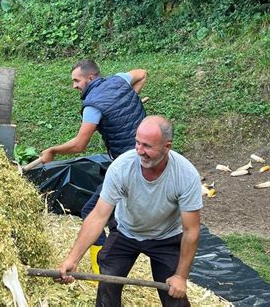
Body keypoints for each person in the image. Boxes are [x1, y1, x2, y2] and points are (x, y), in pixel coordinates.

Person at [58, 115, 202, 307]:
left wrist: (180, 276)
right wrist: (73, 259)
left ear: (167, 147)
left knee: (175, 296)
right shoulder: (122, 167)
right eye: (137, 143)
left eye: (147, 146)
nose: (139, 151)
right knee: (108, 282)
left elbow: (191, 230)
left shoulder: (185, 175)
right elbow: (98, 216)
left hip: (165, 238)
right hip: (126, 231)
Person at [40, 59, 147, 274]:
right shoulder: (119, 81)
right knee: (117, 214)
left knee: (92, 211)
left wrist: (52, 150)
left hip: (128, 164)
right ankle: (112, 265)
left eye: (76, 80)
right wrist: (131, 98)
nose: (74, 86)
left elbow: (79, 145)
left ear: (90, 78)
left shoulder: (93, 107)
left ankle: (102, 271)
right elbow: (141, 72)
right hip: (145, 157)